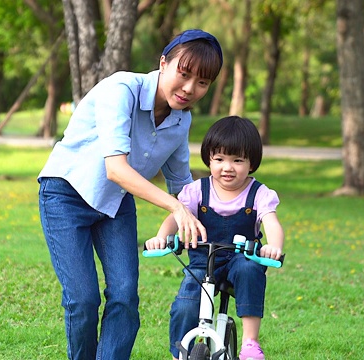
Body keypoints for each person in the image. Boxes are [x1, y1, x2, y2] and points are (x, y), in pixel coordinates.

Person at [37, 29, 223, 360]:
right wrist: (175, 209)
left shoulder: (182, 120)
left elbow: (182, 186)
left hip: (115, 204)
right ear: (164, 63)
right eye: (184, 74)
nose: (190, 89)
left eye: (202, 82)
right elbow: (116, 169)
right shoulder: (121, 89)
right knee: (83, 298)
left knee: (124, 295)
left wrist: (222, 212)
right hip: (66, 193)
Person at [144, 116, 285, 360]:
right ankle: (180, 354)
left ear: (252, 163)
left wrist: (273, 246)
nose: (227, 167)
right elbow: (176, 216)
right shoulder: (197, 190)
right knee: (185, 304)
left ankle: (251, 343)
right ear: (209, 159)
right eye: (219, 159)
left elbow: (271, 222)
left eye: (237, 160)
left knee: (250, 270)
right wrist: (160, 237)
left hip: (240, 259)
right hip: (203, 261)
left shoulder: (259, 193)